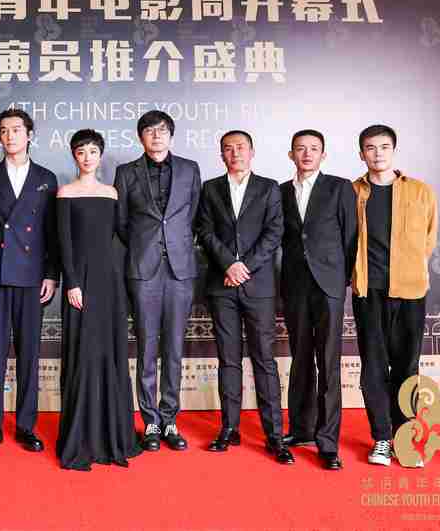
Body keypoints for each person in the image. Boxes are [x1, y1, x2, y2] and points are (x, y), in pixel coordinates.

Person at [195, 130, 293, 464]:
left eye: (240, 147)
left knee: (264, 360)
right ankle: (229, 429)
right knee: (228, 359)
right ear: (221, 154)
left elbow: (274, 232)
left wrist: (244, 266)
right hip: (221, 285)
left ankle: (274, 435)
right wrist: (228, 264)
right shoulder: (210, 188)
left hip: (258, 285)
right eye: (228, 148)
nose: (235, 153)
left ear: (252, 152)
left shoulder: (269, 188)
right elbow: (204, 230)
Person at [0, 108, 59, 453]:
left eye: (16, 130)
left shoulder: (46, 177)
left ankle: (25, 427)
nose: (10, 136)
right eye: (4, 130)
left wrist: (51, 274)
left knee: (29, 355)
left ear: (29, 134)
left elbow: (52, 231)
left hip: (33, 276)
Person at [113, 110, 202, 451]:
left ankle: (170, 420)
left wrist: (175, 243)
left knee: (175, 348)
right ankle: (150, 420)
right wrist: (145, 247)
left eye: (162, 130)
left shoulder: (190, 169)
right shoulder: (126, 173)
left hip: (180, 269)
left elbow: (194, 215)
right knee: (147, 346)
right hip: (143, 269)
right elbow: (121, 222)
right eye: (149, 131)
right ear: (141, 137)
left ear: (171, 135)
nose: (156, 136)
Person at [351, 125, 437, 468]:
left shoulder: (420, 191)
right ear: (361, 154)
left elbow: (429, 238)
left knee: (407, 366)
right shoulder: (352, 192)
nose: (378, 154)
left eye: (384, 147)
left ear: (394, 150)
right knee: (373, 366)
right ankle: (382, 439)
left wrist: (409, 270)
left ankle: (406, 439)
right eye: (370, 148)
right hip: (368, 290)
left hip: (410, 291)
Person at [56, 130, 142, 470]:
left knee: (110, 353)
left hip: (110, 283)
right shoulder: (65, 193)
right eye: (81, 152)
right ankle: (81, 437)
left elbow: (124, 234)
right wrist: (72, 283)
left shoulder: (112, 193)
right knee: (83, 354)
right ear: (74, 156)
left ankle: (113, 435)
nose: (87, 157)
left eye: (93, 151)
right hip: (80, 282)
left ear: (100, 155)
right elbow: (64, 243)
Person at [279, 130, 357, 471]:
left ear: (323, 155)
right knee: (300, 358)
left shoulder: (339, 187)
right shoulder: (280, 192)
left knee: (328, 362)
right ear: (291, 154)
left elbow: (351, 236)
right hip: (295, 285)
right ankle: (300, 429)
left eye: (314, 149)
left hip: (329, 285)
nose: (307, 154)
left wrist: (343, 278)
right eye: (301, 149)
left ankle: (328, 442)